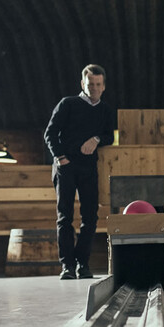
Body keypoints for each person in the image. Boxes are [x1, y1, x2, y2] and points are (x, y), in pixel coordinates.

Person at [44, 64, 115, 279]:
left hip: (88, 168)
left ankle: (82, 264)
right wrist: (61, 158)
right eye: (90, 84)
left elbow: (109, 136)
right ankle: (67, 266)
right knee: (65, 217)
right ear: (83, 83)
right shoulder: (68, 103)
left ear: (103, 86)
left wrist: (96, 138)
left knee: (90, 217)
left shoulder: (105, 110)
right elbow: (50, 133)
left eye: (98, 84)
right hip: (65, 166)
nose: (94, 88)